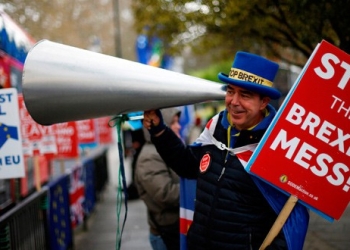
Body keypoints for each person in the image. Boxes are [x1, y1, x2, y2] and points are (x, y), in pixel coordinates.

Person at [142, 52, 309, 250]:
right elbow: (188, 166)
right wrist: (160, 131)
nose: (234, 102)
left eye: (245, 95)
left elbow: (290, 217)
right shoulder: (215, 127)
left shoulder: (277, 147)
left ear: (264, 102)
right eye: (230, 91)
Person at [135, 107, 182, 250]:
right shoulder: (150, 157)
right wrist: (199, 188)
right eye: (173, 122)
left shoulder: (165, 150)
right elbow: (165, 195)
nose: (178, 126)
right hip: (166, 234)